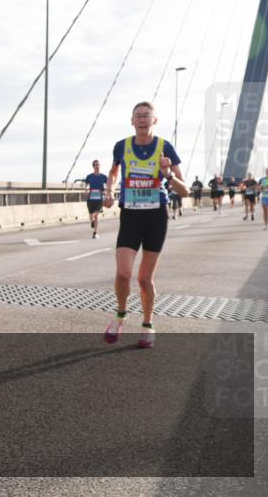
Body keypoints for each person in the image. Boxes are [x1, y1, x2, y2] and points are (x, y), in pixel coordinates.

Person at [102, 101, 187, 349]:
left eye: (146, 116)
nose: (142, 119)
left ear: (154, 121)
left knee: (144, 279)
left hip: (155, 217)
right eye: (137, 116)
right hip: (130, 215)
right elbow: (114, 172)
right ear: (132, 121)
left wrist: (168, 173)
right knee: (123, 273)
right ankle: (120, 314)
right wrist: (109, 191)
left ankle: (148, 325)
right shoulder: (122, 146)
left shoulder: (165, 147)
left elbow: (184, 190)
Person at [84, 160, 108, 238]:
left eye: (98, 165)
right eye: (96, 165)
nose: (97, 166)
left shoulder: (104, 177)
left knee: (97, 215)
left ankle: (95, 233)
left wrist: (105, 192)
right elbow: (87, 186)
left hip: (99, 199)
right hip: (90, 199)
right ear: (93, 167)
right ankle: (92, 221)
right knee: (91, 215)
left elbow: (107, 186)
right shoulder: (89, 177)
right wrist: (86, 191)